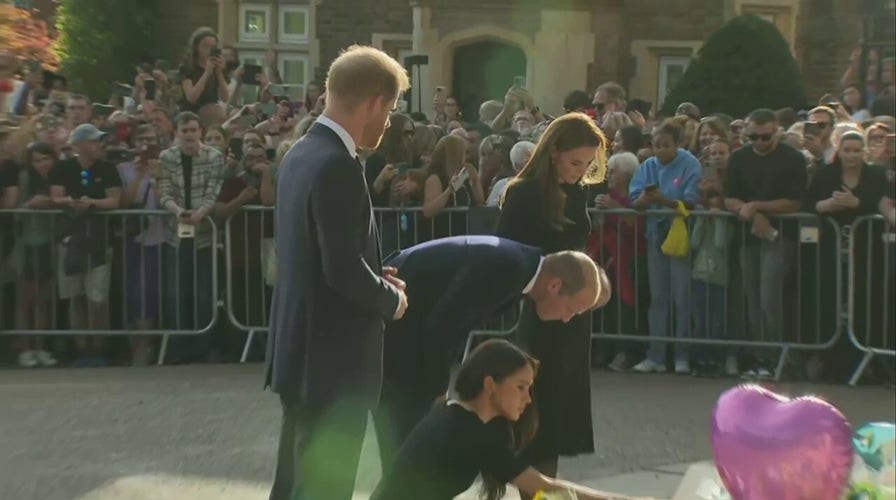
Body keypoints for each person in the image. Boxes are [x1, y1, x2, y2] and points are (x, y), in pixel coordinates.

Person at [264, 45, 410, 500]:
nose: (388, 124)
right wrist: (392, 299)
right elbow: (342, 271)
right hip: (333, 359)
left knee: (294, 483)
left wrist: (373, 275)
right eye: (390, 110)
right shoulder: (338, 166)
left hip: (300, 350)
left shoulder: (300, 153)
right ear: (375, 102)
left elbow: (319, 256)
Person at [374, 235, 610, 470]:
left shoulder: (519, 266)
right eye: (570, 309)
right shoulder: (508, 268)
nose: (567, 319)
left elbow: (454, 321)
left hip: (403, 327)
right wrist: (439, 392)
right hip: (396, 330)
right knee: (408, 454)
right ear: (555, 285)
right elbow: (442, 327)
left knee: (410, 453)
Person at [371, 339, 653, 500]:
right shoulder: (470, 432)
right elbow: (545, 487)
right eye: (520, 387)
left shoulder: (456, 413)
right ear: (490, 384)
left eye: (529, 388)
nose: (528, 398)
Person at [495, 112, 607, 493]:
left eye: (588, 164)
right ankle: (525, 487)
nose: (581, 171)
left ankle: (542, 491)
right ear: (554, 152)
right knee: (530, 406)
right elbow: (507, 253)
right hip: (538, 307)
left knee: (557, 411)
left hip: (572, 311)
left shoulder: (578, 192)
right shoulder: (523, 192)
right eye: (576, 162)